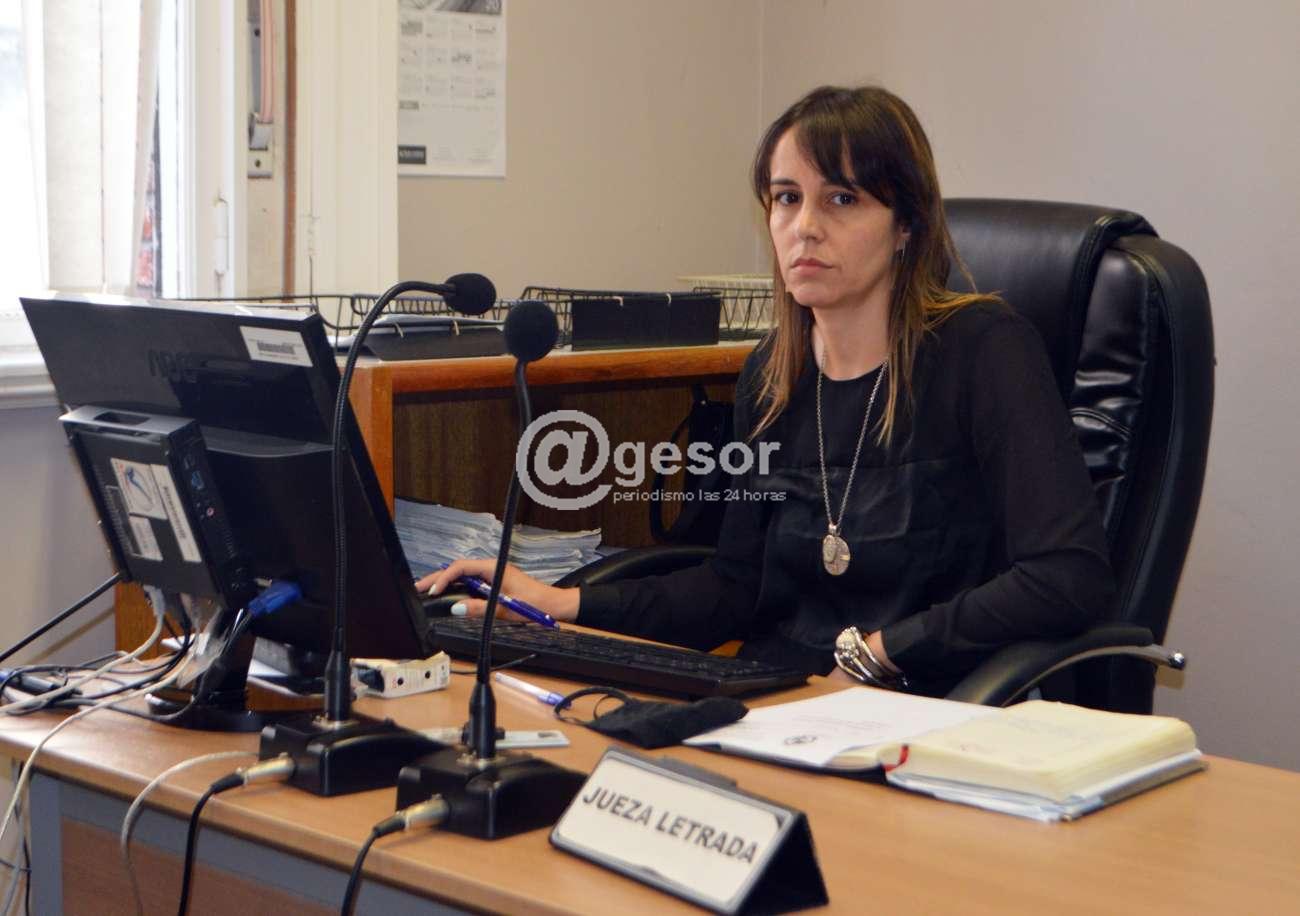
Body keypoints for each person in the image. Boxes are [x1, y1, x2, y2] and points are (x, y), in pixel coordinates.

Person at [420, 85, 1114, 696]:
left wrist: (881, 653)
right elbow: (736, 588)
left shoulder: (983, 350)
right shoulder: (772, 375)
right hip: (780, 701)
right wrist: (558, 603)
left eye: (842, 198)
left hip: (930, 707)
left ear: (906, 225)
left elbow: (1067, 576)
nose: (805, 226)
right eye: (787, 198)